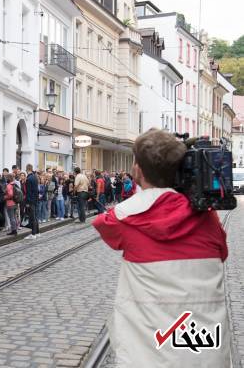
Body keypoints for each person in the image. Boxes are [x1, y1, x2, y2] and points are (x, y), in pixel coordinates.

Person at [93, 129, 230, 367]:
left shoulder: (124, 217)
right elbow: (222, 253)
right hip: (203, 353)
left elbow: (102, 224)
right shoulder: (208, 217)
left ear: (138, 169)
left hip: (148, 355)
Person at [24, 164, 39, 239]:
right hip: (35, 200)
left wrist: (27, 202)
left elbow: (28, 192)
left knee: (32, 217)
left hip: (31, 200)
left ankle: (33, 234)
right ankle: (37, 232)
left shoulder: (29, 179)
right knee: (35, 216)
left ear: (27, 169)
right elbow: (36, 191)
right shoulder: (35, 177)